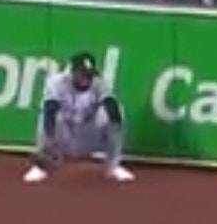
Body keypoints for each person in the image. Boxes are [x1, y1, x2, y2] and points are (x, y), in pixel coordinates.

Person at [23, 52, 134, 183]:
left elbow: (111, 106)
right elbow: (50, 109)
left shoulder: (99, 83)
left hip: (89, 136)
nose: (86, 78)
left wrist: (115, 129)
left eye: (89, 74)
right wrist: (50, 142)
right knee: (47, 117)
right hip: (64, 136)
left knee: (115, 112)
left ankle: (113, 166)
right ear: (72, 71)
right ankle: (41, 166)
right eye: (82, 73)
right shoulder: (56, 83)